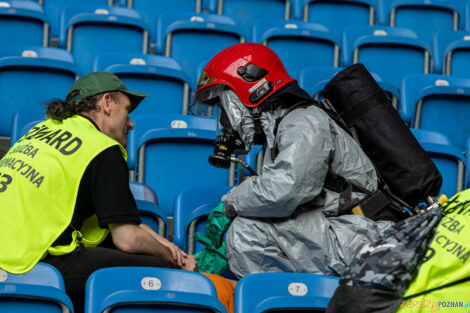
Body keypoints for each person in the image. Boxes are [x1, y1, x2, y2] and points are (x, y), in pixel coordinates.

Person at [192, 43, 395, 278]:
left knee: (246, 231)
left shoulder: (304, 122)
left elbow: (284, 189)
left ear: (253, 89)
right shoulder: (278, 134)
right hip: (340, 230)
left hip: (363, 236)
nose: (224, 122)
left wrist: (230, 204)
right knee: (248, 226)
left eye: (225, 109)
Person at [0, 71, 197, 313]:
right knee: (162, 273)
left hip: (13, 248)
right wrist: (172, 262)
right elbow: (128, 238)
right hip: (27, 260)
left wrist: (173, 250)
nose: (132, 123)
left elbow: (123, 220)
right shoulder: (101, 148)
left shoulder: (38, 131)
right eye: (127, 110)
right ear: (106, 103)